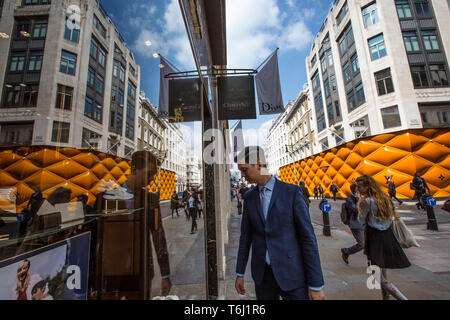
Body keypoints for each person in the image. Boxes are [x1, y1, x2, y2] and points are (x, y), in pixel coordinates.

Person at [234, 146, 325, 300]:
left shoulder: (292, 193)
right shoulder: (249, 198)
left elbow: (308, 239)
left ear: (259, 164)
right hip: (262, 277)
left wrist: (316, 284)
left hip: (292, 275)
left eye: (245, 170)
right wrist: (240, 273)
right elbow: (245, 238)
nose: (243, 175)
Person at [125, 151, 172, 297]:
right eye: (149, 174)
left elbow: (159, 239)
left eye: (153, 175)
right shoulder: (108, 197)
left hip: (142, 271)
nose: (151, 180)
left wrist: (165, 275)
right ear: (134, 170)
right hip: (113, 270)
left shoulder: (151, 200)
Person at [356, 175, 410, 270]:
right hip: (387, 233)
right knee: (383, 263)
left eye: (359, 186)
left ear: (367, 187)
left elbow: (361, 220)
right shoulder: (385, 198)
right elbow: (391, 215)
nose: (357, 189)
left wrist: (359, 201)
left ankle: (383, 284)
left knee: (375, 265)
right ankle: (384, 282)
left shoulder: (367, 201)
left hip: (373, 234)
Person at [340, 184, 364, 264]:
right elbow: (356, 210)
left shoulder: (361, 197)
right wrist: (358, 199)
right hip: (355, 225)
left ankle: (372, 262)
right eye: (358, 188)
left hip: (364, 223)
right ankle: (346, 251)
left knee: (370, 243)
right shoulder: (349, 199)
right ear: (355, 190)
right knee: (362, 244)